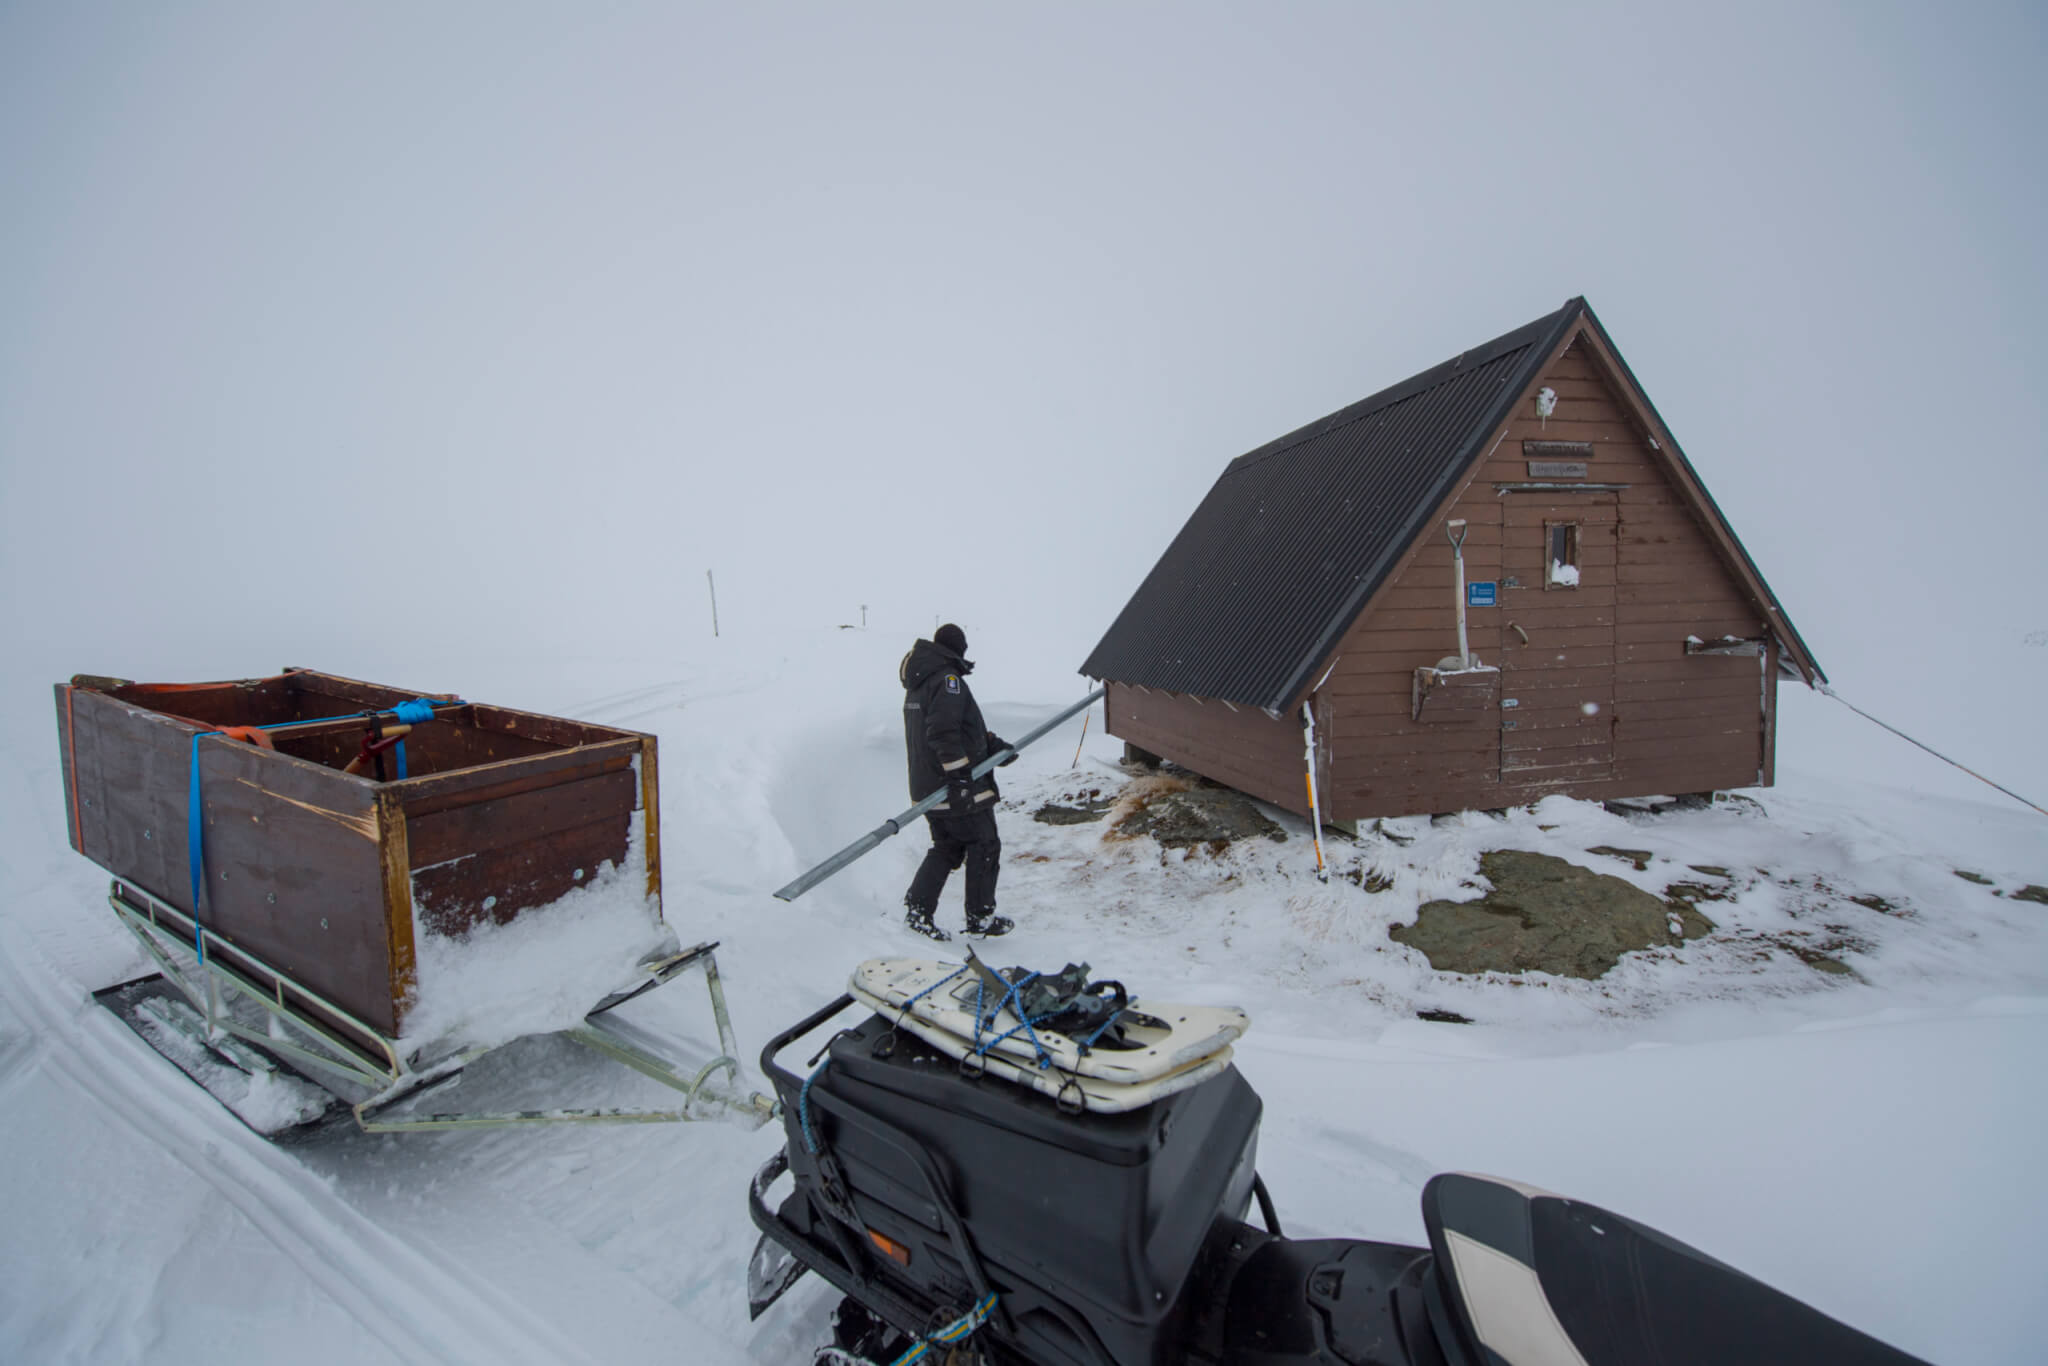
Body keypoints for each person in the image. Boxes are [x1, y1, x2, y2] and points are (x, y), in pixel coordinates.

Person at [900, 623, 1016, 941]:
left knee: (947, 847)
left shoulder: (920, 683)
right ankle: (980, 917)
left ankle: (918, 910)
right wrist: (961, 779)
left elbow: (957, 729)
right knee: (984, 844)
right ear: (958, 650)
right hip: (955, 788)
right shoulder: (948, 680)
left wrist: (993, 747)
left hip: (929, 788)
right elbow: (943, 733)